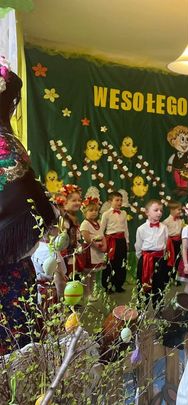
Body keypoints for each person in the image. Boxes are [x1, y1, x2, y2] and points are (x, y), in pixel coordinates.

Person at [0, 61, 56, 354]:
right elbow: (28, 196)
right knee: (15, 341)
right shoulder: (7, 143)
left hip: (9, 258)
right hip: (9, 262)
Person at [134, 199, 174, 306]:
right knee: (144, 285)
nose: (159, 213)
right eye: (156, 210)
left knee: (159, 285)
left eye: (161, 210)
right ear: (147, 212)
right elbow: (138, 247)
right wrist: (142, 260)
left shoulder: (164, 228)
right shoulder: (141, 229)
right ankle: (142, 308)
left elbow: (166, 244)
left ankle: (158, 307)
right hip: (146, 260)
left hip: (160, 260)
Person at [101, 191, 129, 293]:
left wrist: (127, 241)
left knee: (121, 263)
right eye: (117, 200)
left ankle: (118, 285)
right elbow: (101, 229)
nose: (119, 202)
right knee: (110, 263)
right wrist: (103, 243)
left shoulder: (124, 213)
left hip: (121, 241)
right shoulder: (106, 214)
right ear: (110, 202)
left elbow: (125, 228)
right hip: (111, 241)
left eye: (121, 200)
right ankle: (107, 286)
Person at [80, 197, 107, 300]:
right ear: (85, 212)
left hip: (98, 250)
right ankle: (87, 294)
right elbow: (87, 239)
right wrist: (97, 247)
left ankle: (91, 292)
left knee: (94, 273)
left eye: (96, 210)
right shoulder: (85, 224)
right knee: (88, 274)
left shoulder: (98, 223)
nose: (94, 212)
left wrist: (104, 246)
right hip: (90, 250)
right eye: (91, 210)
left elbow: (102, 235)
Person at [59, 184, 83, 275]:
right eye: (74, 200)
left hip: (72, 254)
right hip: (66, 256)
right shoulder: (65, 219)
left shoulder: (73, 217)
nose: (78, 203)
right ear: (65, 203)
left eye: (79, 200)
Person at [163, 201, 184, 283]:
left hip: (178, 242)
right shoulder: (166, 222)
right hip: (170, 243)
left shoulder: (180, 221)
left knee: (177, 260)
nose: (180, 211)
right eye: (178, 210)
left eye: (180, 210)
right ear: (172, 210)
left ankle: (175, 277)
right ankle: (167, 278)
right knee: (169, 260)